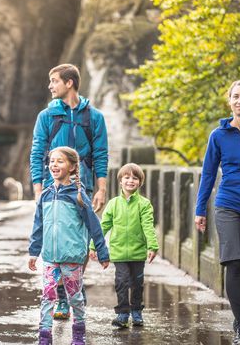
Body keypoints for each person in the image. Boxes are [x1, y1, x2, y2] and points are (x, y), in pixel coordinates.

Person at [29, 63, 109, 319]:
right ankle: (63, 298)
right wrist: (38, 189)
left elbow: (100, 154)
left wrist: (101, 188)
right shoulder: (46, 116)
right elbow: (38, 153)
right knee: (57, 237)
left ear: (69, 83)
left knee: (80, 239)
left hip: (82, 185)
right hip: (53, 188)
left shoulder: (94, 117)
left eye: (54, 81)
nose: (50, 86)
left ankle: (75, 283)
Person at [195, 80, 240, 345]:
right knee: (233, 263)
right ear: (229, 101)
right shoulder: (218, 135)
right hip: (227, 204)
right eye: (236, 97)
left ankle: (237, 314)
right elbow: (208, 174)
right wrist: (200, 210)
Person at [28, 146, 110, 345]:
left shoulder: (79, 196)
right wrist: (33, 252)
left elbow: (94, 225)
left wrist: (102, 251)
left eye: (60, 161)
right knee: (47, 297)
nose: (54, 165)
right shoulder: (45, 196)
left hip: (72, 256)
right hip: (49, 257)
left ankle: (79, 333)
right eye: (52, 161)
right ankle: (45, 336)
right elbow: (38, 225)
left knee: (75, 297)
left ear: (73, 167)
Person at [89, 163, 158, 328]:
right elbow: (103, 226)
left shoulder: (144, 204)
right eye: (127, 177)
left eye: (135, 178)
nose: (130, 181)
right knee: (121, 282)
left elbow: (148, 225)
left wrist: (152, 246)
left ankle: (136, 312)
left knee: (137, 284)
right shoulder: (113, 204)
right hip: (119, 253)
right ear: (120, 181)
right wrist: (93, 245)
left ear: (140, 182)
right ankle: (122, 314)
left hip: (137, 252)